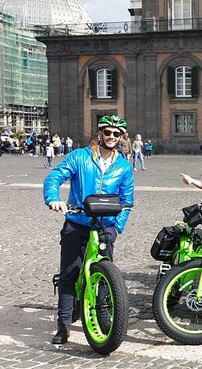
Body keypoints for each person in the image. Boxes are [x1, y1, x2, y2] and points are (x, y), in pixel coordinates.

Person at [43, 115, 134, 345]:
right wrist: (54, 198)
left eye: (117, 134)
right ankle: (63, 325)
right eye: (107, 132)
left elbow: (127, 200)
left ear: (121, 137)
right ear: (100, 133)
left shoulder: (123, 166)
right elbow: (55, 176)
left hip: (106, 226)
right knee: (69, 274)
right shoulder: (79, 157)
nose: (112, 137)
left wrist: (117, 227)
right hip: (77, 222)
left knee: (105, 275)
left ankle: (102, 317)